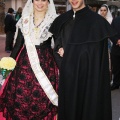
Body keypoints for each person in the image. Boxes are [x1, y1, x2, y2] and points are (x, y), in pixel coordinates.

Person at [49, 0, 116, 119]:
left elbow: (97, 55)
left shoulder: (97, 22)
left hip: (90, 77)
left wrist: (71, 54)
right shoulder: (62, 20)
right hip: (69, 75)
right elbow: (57, 47)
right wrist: (61, 53)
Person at [0, 0, 58, 119]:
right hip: (24, 64)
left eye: (44, 0)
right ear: (32, 2)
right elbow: (18, 45)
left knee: (42, 97)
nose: (40, 3)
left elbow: (58, 45)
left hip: (46, 65)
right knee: (21, 97)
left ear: (48, 2)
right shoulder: (24, 20)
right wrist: (8, 65)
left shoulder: (54, 21)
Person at [98, 4, 113, 80]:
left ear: (107, 11)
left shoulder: (110, 20)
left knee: (107, 60)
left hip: (108, 43)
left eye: (104, 10)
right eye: (101, 10)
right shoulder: (96, 20)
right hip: (98, 43)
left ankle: (107, 79)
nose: (103, 12)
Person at [110, 16, 120, 90]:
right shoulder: (116, 20)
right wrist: (116, 40)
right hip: (116, 48)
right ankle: (116, 83)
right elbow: (111, 32)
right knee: (116, 68)